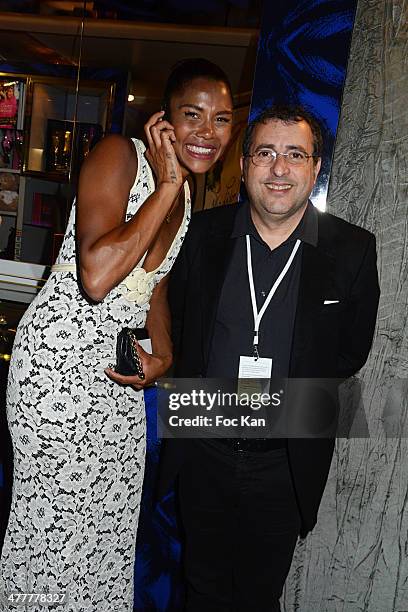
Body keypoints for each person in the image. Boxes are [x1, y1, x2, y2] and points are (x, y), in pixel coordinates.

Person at [0, 59, 233, 611]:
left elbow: (153, 291)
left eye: (221, 119)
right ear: (165, 120)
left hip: (116, 379)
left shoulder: (190, 199)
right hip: (57, 370)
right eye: (192, 115)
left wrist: (166, 354)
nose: (207, 132)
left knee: (108, 527)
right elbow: (98, 275)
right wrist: (167, 186)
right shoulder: (118, 156)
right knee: (54, 534)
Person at [159, 105, 380, 611]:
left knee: (260, 597)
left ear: (315, 167)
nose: (279, 169)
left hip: (285, 461)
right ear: (244, 164)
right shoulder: (202, 235)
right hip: (203, 450)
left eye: (295, 155)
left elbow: (349, 354)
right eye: (265, 153)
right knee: (200, 588)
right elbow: (180, 325)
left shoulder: (352, 250)